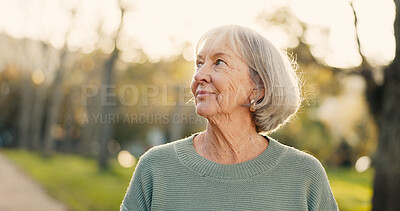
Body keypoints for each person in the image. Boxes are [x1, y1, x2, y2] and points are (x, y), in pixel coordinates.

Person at [121, 25, 338, 211]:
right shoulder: (155, 167)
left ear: (258, 89)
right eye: (199, 64)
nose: (198, 76)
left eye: (219, 63)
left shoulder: (304, 175)